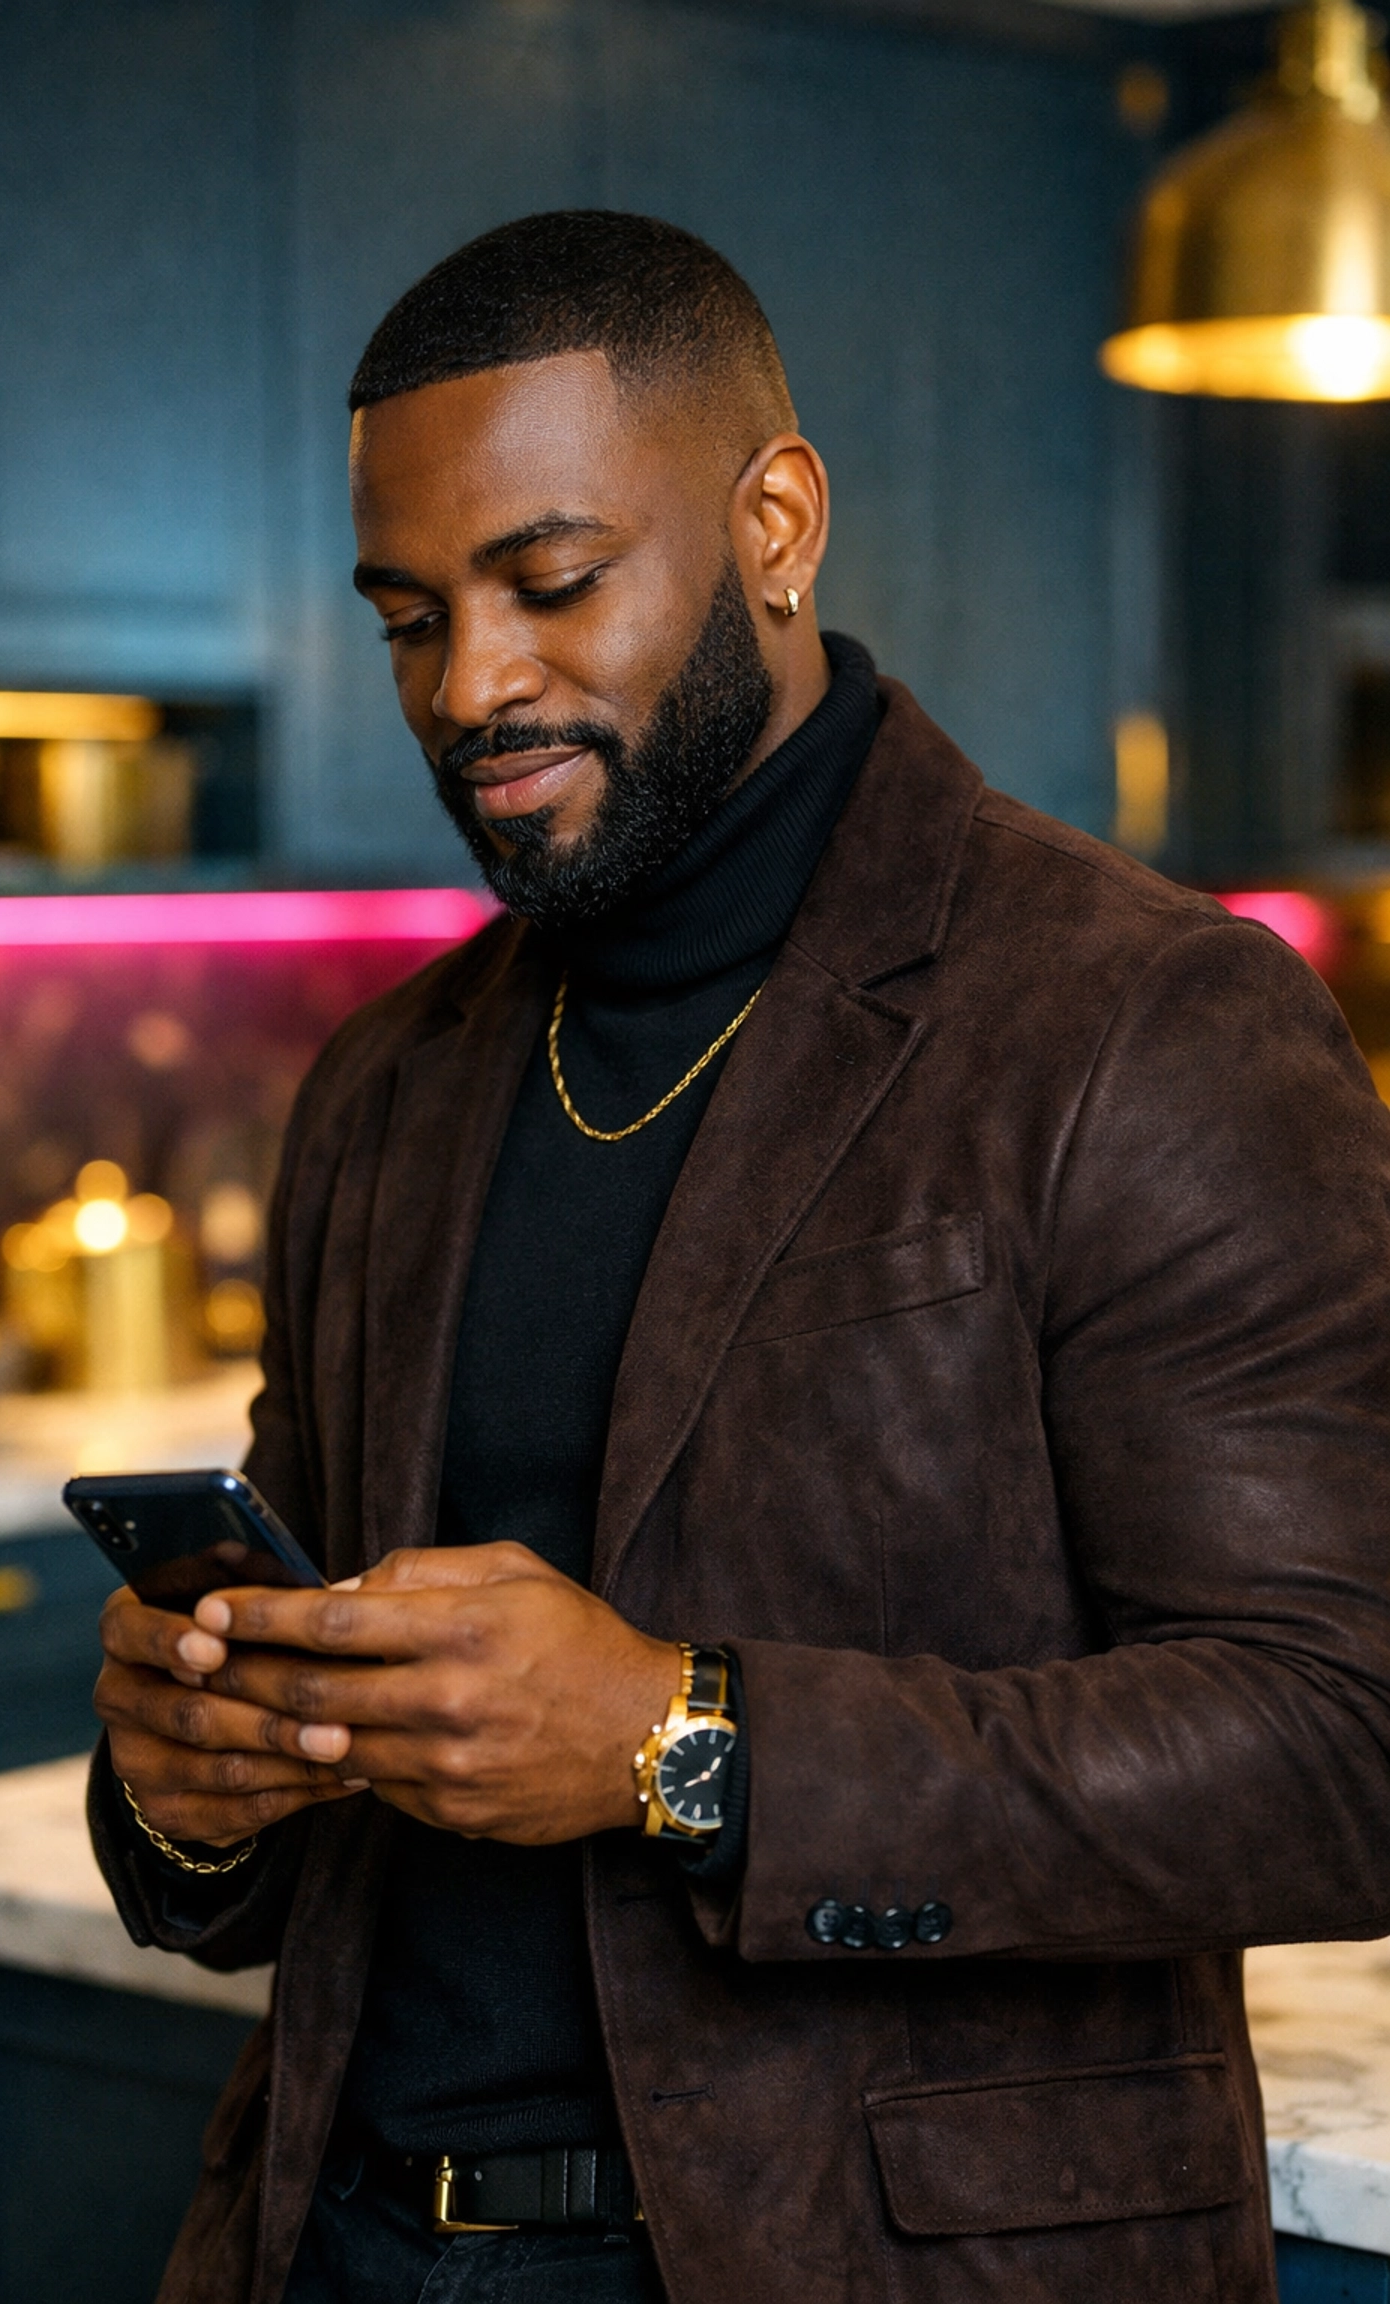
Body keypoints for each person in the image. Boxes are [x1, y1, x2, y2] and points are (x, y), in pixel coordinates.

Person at [89, 210, 1390, 2304]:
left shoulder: (1142, 1020)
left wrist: (682, 1742)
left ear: (774, 522)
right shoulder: (384, 1089)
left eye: (553, 582)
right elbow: (280, 1808)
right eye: (408, 616)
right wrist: (195, 1784)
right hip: (335, 2249)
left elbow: (1344, 1751)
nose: (471, 684)